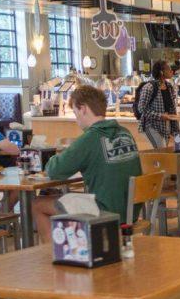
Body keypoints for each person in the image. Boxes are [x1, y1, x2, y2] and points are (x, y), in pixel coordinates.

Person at [34, 85, 142, 241]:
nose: (76, 118)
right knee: (67, 199)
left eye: (76, 112)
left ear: (83, 109)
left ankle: (54, 254)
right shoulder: (125, 132)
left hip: (105, 210)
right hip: (131, 211)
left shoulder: (90, 138)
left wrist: (52, 158)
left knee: (38, 204)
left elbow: (54, 170)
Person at [135, 60, 179, 148]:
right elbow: (141, 108)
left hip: (165, 126)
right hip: (151, 125)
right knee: (161, 150)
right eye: (169, 69)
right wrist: (160, 116)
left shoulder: (169, 87)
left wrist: (175, 129)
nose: (171, 71)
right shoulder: (149, 87)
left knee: (163, 153)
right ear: (161, 72)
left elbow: (172, 109)